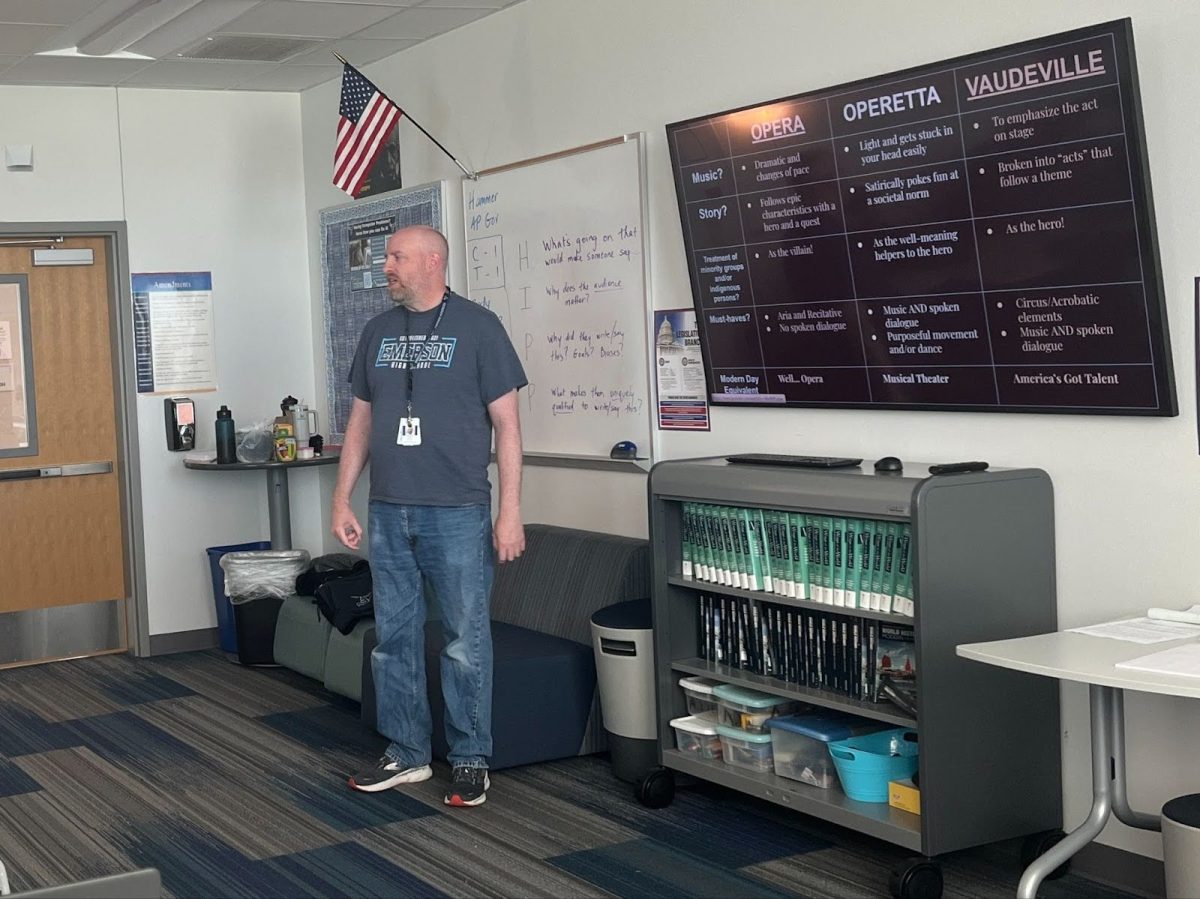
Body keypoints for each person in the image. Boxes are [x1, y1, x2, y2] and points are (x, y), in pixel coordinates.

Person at [332, 224, 526, 807]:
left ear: (433, 260)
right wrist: (342, 497)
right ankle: (408, 753)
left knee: (466, 641)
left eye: (396, 257)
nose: (385, 266)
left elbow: (509, 429)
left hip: (459, 510)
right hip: (389, 510)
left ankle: (469, 757)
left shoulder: (479, 327)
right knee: (393, 638)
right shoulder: (377, 331)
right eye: (388, 256)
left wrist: (510, 511)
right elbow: (361, 423)